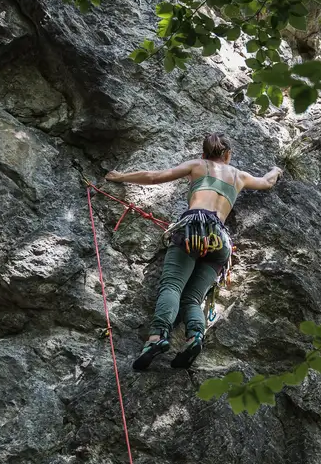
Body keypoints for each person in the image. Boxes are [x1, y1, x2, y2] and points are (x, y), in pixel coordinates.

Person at [105, 134, 282, 370]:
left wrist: (121, 177)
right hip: (220, 241)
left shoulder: (198, 165)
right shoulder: (239, 175)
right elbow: (267, 182)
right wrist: (276, 169)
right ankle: (195, 337)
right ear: (227, 155)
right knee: (192, 298)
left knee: (172, 286)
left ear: (204, 154)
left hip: (193, 231)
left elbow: (155, 177)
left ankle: (157, 338)